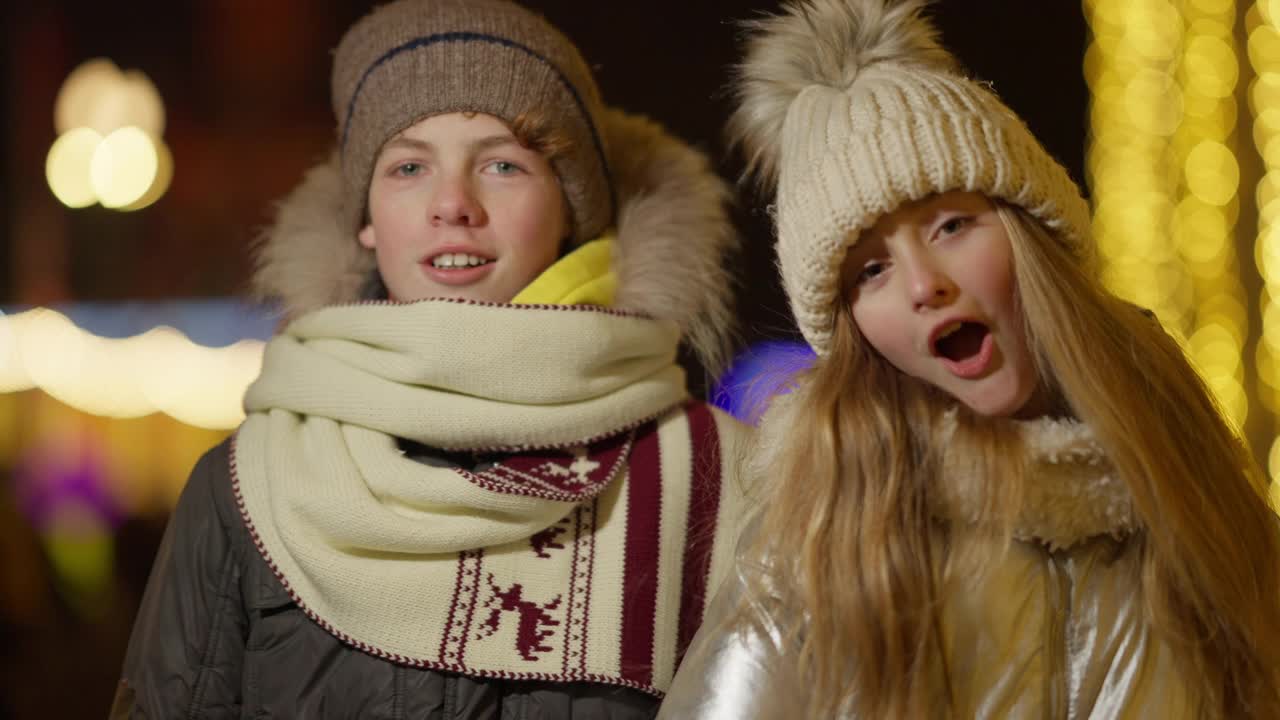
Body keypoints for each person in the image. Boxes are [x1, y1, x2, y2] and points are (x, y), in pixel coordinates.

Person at [112, 0, 749, 716]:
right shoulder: (249, 487)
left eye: (504, 165)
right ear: (364, 220)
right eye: (409, 166)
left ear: (574, 210)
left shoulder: (718, 479)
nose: (452, 204)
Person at [659, 0, 1280, 717]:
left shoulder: (1190, 477)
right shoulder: (822, 537)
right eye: (870, 271)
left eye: (952, 225)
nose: (926, 285)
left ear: (1032, 231)